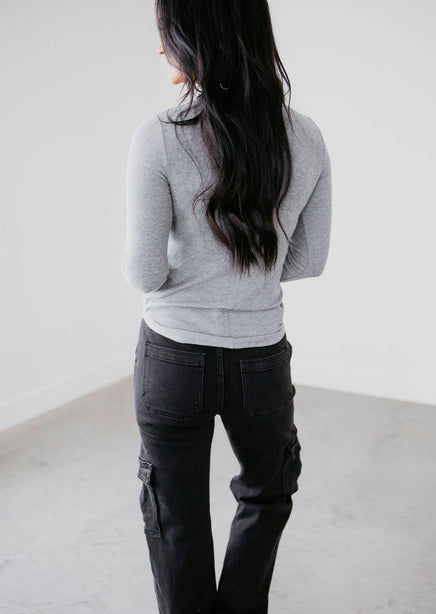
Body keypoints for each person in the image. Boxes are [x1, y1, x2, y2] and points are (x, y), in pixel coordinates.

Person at [121, 1, 332, 612]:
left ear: (196, 36)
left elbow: (143, 272)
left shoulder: (159, 135)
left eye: (166, 33)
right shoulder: (306, 136)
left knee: (175, 512)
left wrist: (191, 274)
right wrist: (244, 278)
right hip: (260, 360)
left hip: (172, 359)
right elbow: (308, 260)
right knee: (268, 492)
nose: (160, 47)